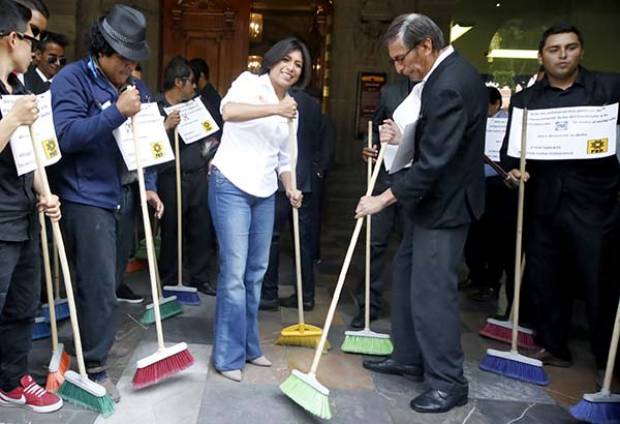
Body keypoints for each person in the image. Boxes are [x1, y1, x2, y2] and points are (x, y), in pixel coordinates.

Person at [356, 14, 487, 413]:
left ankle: (448, 381)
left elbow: (434, 164)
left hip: (445, 207)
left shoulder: (449, 84)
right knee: (406, 275)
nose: (398, 68)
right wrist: (399, 137)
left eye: (400, 59)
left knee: (434, 293)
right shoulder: (438, 77)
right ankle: (409, 357)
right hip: (427, 205)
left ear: (426, 45)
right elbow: (429, 140)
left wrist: (383, 198)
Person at [50, 4, 162, 402]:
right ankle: (93, 365)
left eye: (135, 60)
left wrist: (148, 183)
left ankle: (85, 346)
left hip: (122, 196)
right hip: (84, 199)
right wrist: (115, 113)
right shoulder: (70, 80)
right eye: (124, 59)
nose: (130, 67)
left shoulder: (134, 88)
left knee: (109, 283)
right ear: (103, 50)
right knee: (95, 286)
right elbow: (65, 137)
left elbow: (146, 142)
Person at [500, 23, 620, 373]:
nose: (562, 55)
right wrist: (513, 172)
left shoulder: (610, 88)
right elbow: (512, 154)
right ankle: (554, 346)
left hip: (595, 205)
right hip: (543, 204)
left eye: (570, 47)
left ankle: (606, 357)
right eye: (554, 49)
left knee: (599, 282)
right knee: (546, 280)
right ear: (542, 56)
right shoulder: (526, 100)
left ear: (581, 51)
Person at [209, 37, 307, 382]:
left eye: (298, 64)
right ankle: (227, 356)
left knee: (255, 274)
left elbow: (284, 157)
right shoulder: (249, 83)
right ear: (273, 59)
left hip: (265, 192)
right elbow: (228, 112)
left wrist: (291, 186)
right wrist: (274, 109)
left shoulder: (291, 108)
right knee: (234, 274)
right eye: (287, 59)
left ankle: (250, 347)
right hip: (231, 184)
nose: (291, 67)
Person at [0, 0, 63, 413]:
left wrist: (46, 191)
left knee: (23, 304)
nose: (35, 48)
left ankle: (13, 378)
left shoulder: (21, 90)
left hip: (25, 214)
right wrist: (11, 120)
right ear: (11, 38)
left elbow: (30, 155)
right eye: (32, 38)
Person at [260, 88, 331, 311]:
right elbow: (322, 137)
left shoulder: (275, 100)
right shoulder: (312, 102)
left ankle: (269, 294)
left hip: (280, 179)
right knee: (304, 243)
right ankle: (306, 296)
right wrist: (317, 170)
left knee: (271, 238)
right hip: (306, 180)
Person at [351, 77, 412, 328]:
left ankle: (408, 310)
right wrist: (369, 147)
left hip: (417, 181)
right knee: (373, 244)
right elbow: (373, 127)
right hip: (384, 177)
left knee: (411, 247)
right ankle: (367, 306)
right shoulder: (391, 91)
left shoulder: (437, 89)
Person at [155, 56, 214, 296]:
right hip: (171, 177)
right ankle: (169, 279)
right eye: (190, 82)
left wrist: (211, 150)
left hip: (198, 176)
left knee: (201, 229)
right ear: (179, 82)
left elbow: (209, 137)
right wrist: (166, 126)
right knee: (170, 229)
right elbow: (147, 143)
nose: (194, 87)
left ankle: (200, 277)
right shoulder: (155, 107)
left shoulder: (195, 106)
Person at [463, 86, 516, 304]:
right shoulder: (473, 124)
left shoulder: (506, 124)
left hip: (499, 187)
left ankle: (491, 282)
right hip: (476, 184)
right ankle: (475, 276)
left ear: (496, 104)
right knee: (474, 234)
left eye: (486, 106)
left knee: (494, 238)